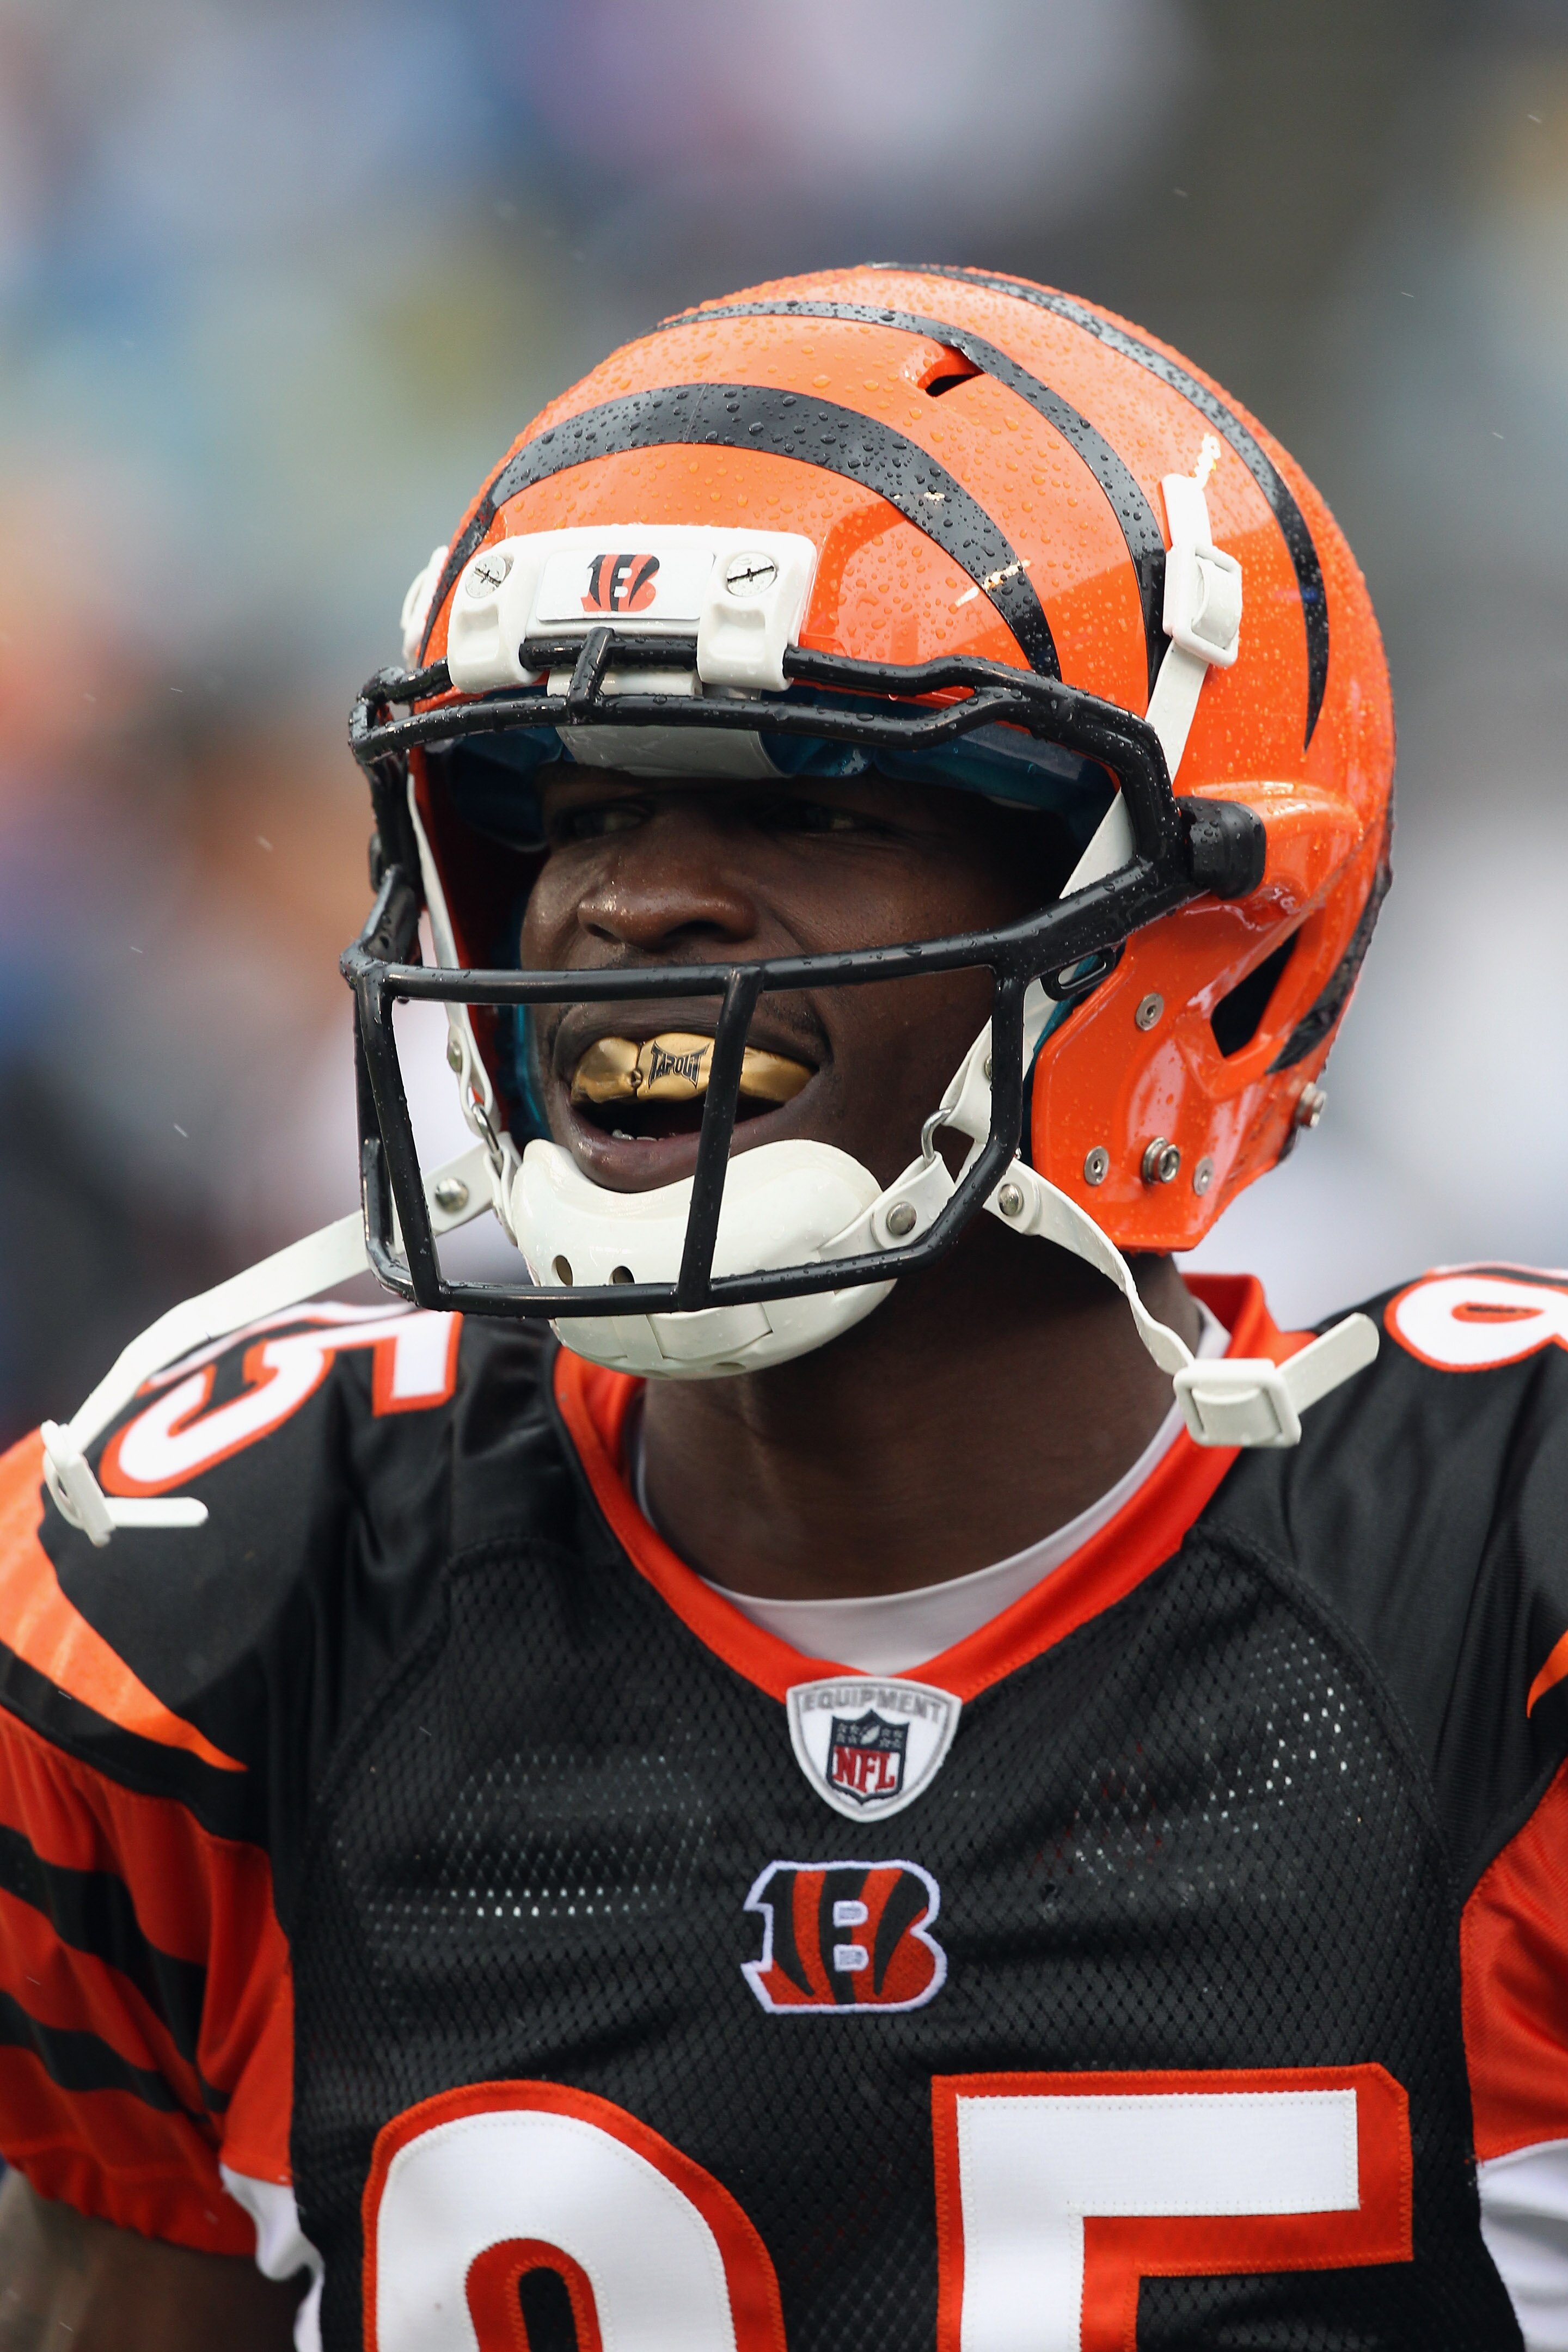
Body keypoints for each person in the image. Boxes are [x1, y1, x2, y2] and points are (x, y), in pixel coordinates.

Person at [0, 265, 1563, 2352]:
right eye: (578, 808)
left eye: (810, 802)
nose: (630, 903)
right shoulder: (227, 1595)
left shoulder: (1497, 1595)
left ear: (1199, 927)